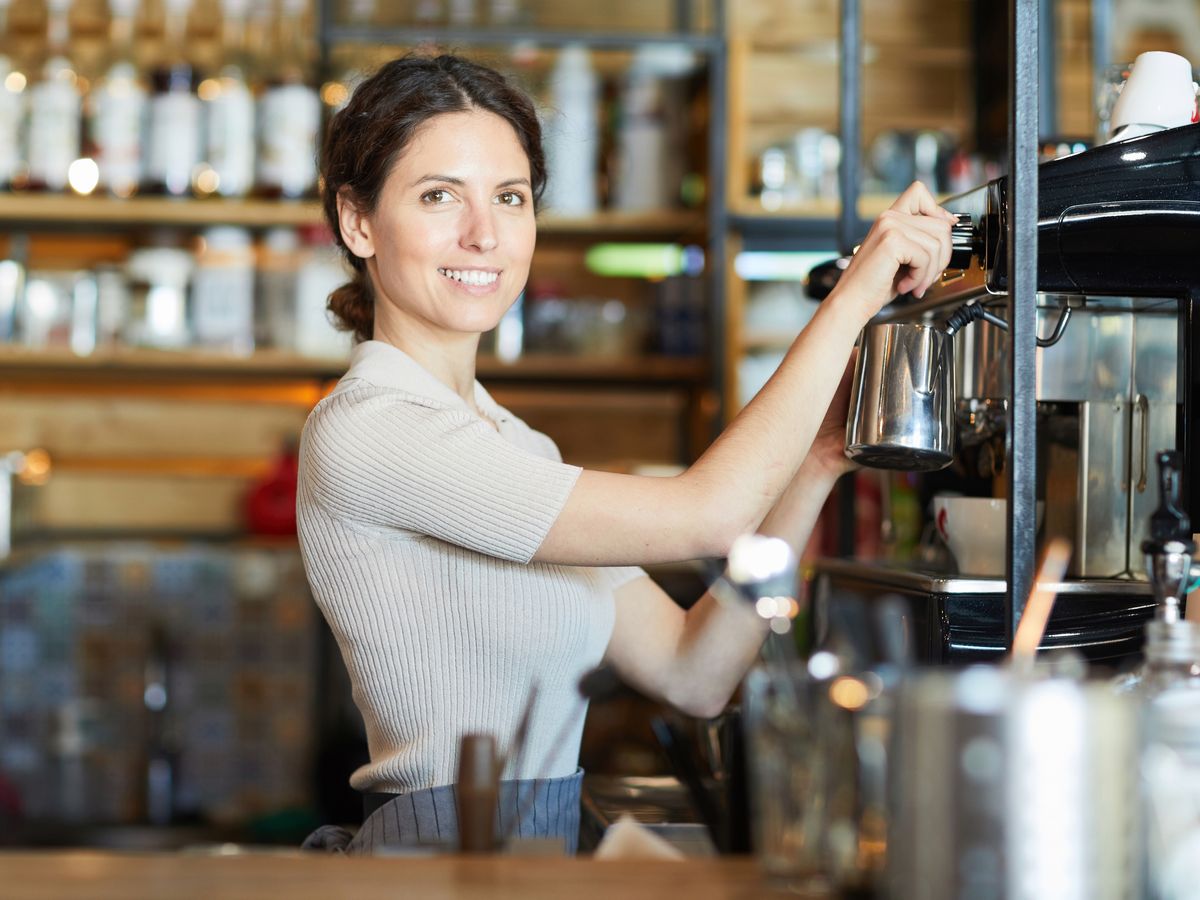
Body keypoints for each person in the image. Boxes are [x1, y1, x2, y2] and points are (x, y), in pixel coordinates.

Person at [297, 53, 954, 854]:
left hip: (535, 858)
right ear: (358, 222)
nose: (484, 234)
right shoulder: (371, 427)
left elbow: (695, 671)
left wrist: (815, 462)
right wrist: (855, 294)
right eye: (439, 196)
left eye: (510, 197)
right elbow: (708, 516)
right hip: (436, 864)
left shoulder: (515, 445)